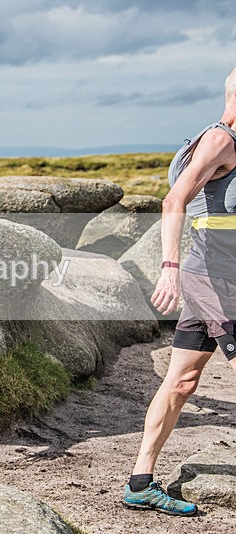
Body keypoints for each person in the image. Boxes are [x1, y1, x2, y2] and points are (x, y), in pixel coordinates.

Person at [123, 68, 236, 516]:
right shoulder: (220, 141)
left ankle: (140, 481)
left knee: (183, 381)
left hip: (223, 275)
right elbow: (174, 200)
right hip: (212, 278)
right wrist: (169, 268)